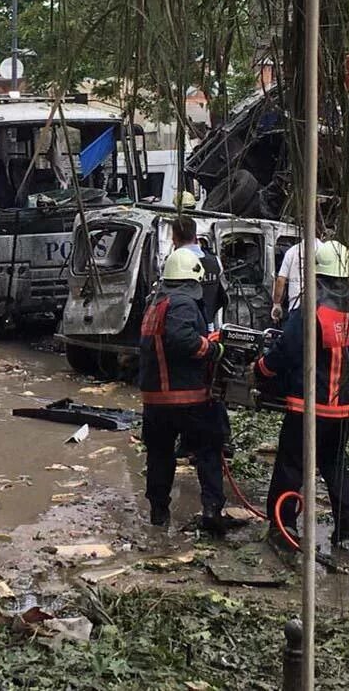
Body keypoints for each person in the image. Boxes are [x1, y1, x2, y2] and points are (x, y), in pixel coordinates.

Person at [255, 239, 349, 547]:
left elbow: (287, 349)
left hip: (311, 404)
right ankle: (347, 518)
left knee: (292, 463)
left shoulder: (312, 305)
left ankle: (284, 526)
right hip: (347, 405)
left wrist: (262, 369)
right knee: (335, 460)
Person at [138, 248, 227, 533]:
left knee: (159, 455)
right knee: (209, 450)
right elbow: (181, 338)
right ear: (193, 280)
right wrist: (212, 349)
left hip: (155, 400)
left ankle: (158, 513)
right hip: (187, 397)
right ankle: (212, 510)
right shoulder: (184, 303)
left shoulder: (155, 303)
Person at [171, 216, 226, 329]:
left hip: (182, 326)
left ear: (174, 238)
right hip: (208, 326)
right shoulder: (215, 261)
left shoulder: (173, 262)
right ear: (195, 236)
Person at [272, 239, 307, 322]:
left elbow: (280, 280)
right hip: (321, 307)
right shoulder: (324, 250)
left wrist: (277, 304)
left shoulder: (293, 251)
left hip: (296, 305)